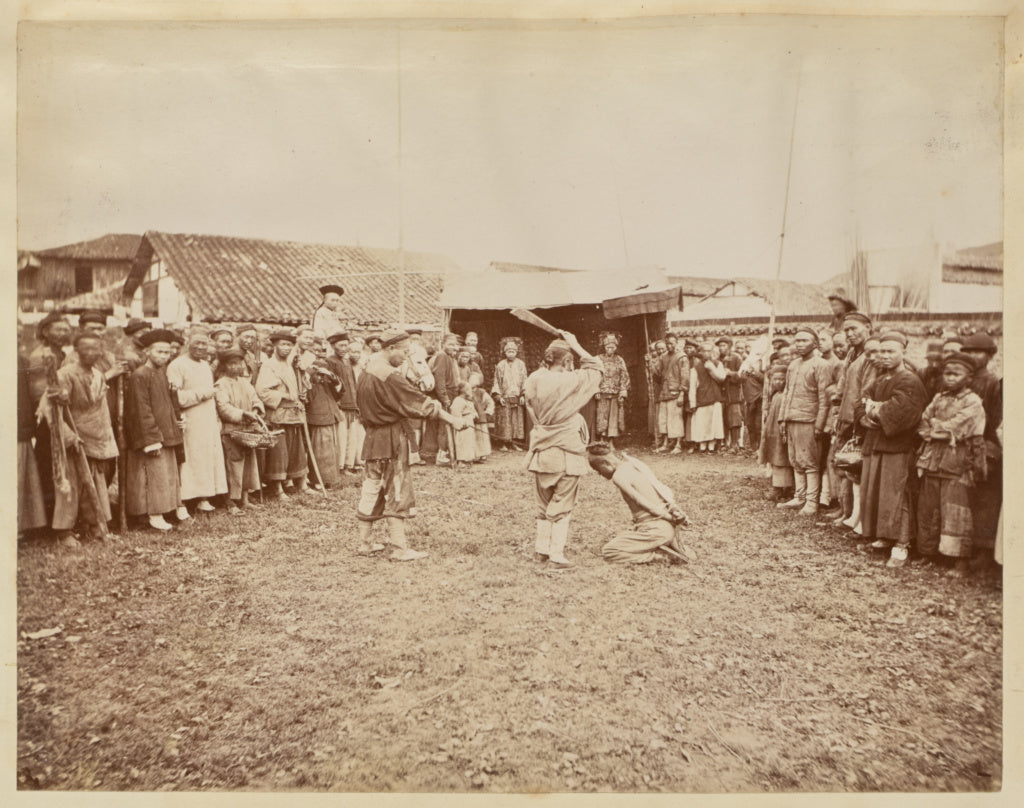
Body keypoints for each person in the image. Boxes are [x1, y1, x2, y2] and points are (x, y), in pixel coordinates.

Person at [355, 331, 472, 561]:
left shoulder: (366, 369)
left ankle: (365, 543)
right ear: (391, 349)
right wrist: (454, 420)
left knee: (371, 488)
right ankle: (400, 548)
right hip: (390, 439)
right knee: (397, 489)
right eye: (404, 352)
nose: (406, 358)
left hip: (371, 438)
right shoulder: (390, 376)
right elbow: (419, 402)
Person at [524, 331, 603, 569]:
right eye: (571, 361)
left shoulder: (533, 378)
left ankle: (540, 550)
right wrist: (576, 344)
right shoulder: (571, 380)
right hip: (567, 453)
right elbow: (597, 367)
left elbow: (528, 403)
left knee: (543, 503)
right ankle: (556, 555)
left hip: (542, 451)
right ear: (568, 362)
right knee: (562, 503)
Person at [856, 331, 929, 568]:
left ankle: (902, 544)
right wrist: (868, 412)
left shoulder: (910, 381)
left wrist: (873, 410)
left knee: (899, 495)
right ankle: (885, 536)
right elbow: (861, 404)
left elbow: (900, 413)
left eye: (890, 351)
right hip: (877, 443)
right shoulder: (880, 380)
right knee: (878, 493)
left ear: (903, 353)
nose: (884, 356)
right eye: (881, 351)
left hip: (898, 446)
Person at [915, 352, 987, 575]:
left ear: (969, 378)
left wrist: (938, 428)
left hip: (958, 461)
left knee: (956, 511)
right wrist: (936, 429)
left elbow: (959, 425)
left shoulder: (973, 401)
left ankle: (959, 562)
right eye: (947, 373)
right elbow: (923, 420)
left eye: (957, 374)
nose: (951, 378)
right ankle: (929, 553)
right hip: (932, 460)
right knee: (929, 507)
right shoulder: (938, 397)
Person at [49, 333, 119, 543]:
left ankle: (94, 526)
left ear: (101, 351)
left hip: (96, 437)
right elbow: (52, 413)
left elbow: (101, 409)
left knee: (95, 485)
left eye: (94, 349)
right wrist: (69, 436)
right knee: (72, 485)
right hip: (74, 437)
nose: (90, 353)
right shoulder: (64, 375)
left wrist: (106, 436)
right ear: (76, 351)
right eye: (85, 349)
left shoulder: (98, 374)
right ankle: (64, 532)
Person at [123, 329, 189, 531]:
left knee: (166, 475)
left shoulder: (162, 373)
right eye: (159, 352)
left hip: (166, 431)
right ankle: (153, 513)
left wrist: (176, 419)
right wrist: (151, 439)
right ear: (148, 352)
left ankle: (167, 509)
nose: (164, 356)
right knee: (152, 475)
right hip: (151, 435)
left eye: (167, 352)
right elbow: (141, 410)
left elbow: (167, 403)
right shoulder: (140, 375)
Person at [587, 443, 694, 565]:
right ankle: (667, 545)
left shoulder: (618, 476)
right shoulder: (633, 463)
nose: (599, 474)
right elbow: (662, 490)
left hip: (657, 529)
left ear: (605, 464)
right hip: (667, 528)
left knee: (610, 551)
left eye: (598, 470)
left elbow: (644, 503)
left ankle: (661, 557)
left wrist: (671, 519)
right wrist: (675, 515)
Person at [167, 329, 228, 512]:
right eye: (197, 343)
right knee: (191, 459)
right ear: (188, 342)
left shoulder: (204, 365)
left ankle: (203, 497)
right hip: (190, 420)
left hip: (207, 420)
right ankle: (185, 500)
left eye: (204, 343)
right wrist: (203, 393)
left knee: (206, 458)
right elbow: (175, 397)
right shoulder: (177, 365)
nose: (201, 347)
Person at [774, 328, 832, 516]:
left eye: (804, 341)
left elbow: (824, 398)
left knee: (810, 462)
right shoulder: (793, 365)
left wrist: (820, 424)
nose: (799, 344)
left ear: (815, 344)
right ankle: (799, 496)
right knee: (795, 460)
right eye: (797, 341)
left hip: (809, 419)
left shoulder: (821, 365)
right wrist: (782, 418)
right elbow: (787, 393)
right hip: (791, 419)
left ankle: (812, 501)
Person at [830, 312, 877, 530]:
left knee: (859, 469)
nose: (849, 334)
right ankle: (847, 511)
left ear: (868, 327)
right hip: (846, 418)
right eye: (846, 330)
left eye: (853, 328)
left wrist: (860, 418)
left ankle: (859, 519)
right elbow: (842, 386)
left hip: (860, 420)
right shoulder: (851, 354)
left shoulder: (871, 354)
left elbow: (867, 390)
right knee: (846, 466)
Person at [960, 332, 1002, 567]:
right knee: (966, 498)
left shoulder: (992, 382)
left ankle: (984, 552)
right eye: (968, 352)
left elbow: (995, 418)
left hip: (983, 443)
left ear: (989, 356)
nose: (973, 357)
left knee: (985, 499)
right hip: (962, 444)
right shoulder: (964, 379)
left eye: (978, 352)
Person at [256, 330, 309, 498]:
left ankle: (300, 483)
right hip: (278, 412)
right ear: (275, 346)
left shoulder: (290, 365)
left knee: (296, 449)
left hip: (294, 413)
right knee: (279, 452)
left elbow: (301, 386)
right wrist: (285, 396)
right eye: (283, 344)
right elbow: (262, 391)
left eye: (289, 345)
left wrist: (300, 392)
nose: (286, 348)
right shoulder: (269, 365)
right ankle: (278, 488)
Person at [214, 348, 264, 514]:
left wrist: (256, 411)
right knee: (233, 466)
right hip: (231, 431)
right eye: (232, 364)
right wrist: (242, 414)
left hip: (248, 430)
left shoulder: (245, 383)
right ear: (225, 366)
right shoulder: (221, 384)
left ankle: (245, 499)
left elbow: (256, 399)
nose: (237, 367)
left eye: (240, 363)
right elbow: (224, 408)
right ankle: (230, 503)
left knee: (248, 466)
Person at [17, 354, 47, 536]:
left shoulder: (21, 360)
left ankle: (24, 525)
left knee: (24, 476)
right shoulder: (33, 357)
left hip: (23, 425)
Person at [304, 353, 343, 489]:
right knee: (320, 453)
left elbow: (340, 392)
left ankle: (331, 478)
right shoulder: (308, 385)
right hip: (318, 420)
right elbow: (304, 393)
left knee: (332, 451)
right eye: (318, 374)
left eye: (323, 374)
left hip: (332, 418)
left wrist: (331, 377)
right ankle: (318, 480)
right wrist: (309, 375)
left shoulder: (327, 383)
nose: (321, 378)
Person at [758, 365, 795, 502]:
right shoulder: (775, 396)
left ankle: (785, 488)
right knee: (775, 458)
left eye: (782, 379)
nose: (779, 382)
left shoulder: (786, 396)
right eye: (776, 379)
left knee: (783, 459)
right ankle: (778, 488)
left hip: (781, 433)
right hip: (772, 434)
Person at [325, 332, 360, 475]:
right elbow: (330, 385)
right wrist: (336, 402)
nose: (344, 348)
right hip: (340, 405)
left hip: (352, 405)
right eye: (341, 345)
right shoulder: (330, 362)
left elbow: (353, 383)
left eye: (346, 345)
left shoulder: (347, 362)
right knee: (341, 438)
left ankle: (348, 465)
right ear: (333, 346)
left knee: (351, 438)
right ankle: (339, 466)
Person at [491, 336, 528, 452]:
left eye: (513, 351)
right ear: (505, 352)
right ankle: (503, 443)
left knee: (516, 421)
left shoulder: (521, 364)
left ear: (516, 352)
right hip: (505, 396)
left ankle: (514, 443)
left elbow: (525, 380)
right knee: (505, 421)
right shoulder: (501, 365)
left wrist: (523, 395)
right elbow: (496, 381)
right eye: (508, 352)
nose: (511, 354)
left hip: (516, 396)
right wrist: (498, 396)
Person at [687, 341, 725, 453]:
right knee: (702, 422)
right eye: (704, 351)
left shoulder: (718, 364)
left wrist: (712, 369)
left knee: (713, 422)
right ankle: (703, 445)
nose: (707, 353)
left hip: (715, 397)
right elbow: (692, 387)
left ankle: (712, 446)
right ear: (700, 352)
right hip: (702, 397)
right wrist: (692, 403)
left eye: (709, 350)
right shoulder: (695, 368)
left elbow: (722, 378)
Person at [653, 332, 688, 454]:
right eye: (667, 343)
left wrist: (682, 394)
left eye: (671, 343)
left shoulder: (682, 357)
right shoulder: (663, 357)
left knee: (676, 419)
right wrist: (651, 364)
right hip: (664, 392)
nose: (669, 346)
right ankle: (666, 443)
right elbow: (658, 374)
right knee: (664, 419)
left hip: (675, 392)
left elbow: (685, 377)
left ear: (676, 343)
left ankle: (678, 445)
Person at [594, 333, 630, 449]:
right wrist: (596, 390)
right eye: (608, 347)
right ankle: (602, 439)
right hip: (602, 391)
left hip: (615, 392)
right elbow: (594, 375)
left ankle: (611, 441)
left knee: (613, 417)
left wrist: (623, 391)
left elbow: (624, 376)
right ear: (604, 347)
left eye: (613, 347)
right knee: (602, 415)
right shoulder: (598, 359)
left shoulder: (619, 360)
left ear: (616, 347)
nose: (610, 349)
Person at [715, 336, 743, 453]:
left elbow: (743, 375)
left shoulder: (736, 358)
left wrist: (730, 373)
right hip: (721, 393)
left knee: (734, 419)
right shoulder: (717, 359)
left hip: (733, 392)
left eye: (724, 345)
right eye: (720, 346)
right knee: (724, 419)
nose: (721, 348)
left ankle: (734, 444)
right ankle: (725, 443)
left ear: (729, 346)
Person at [450, 381, 478, 467]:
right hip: (463, 427)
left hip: (469, 426)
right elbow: (455, 414)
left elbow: (471, 411)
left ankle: (468, 459)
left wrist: (474, 415)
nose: (471, 391)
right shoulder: (458, 400)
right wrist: (461, 422)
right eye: (469, 389)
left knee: (469, 442)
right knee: (462, 442)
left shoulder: (467, 401)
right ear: (464, 391)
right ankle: (461, 461)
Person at [470, 371, 494, 461]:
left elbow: (490, 402)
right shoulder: (466, 392)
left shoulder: (482, 392)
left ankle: (483, 454)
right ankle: (473, 454)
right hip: (471, 418)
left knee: (482, 437)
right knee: (473, 436)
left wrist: (488, 412)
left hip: (481, 417)